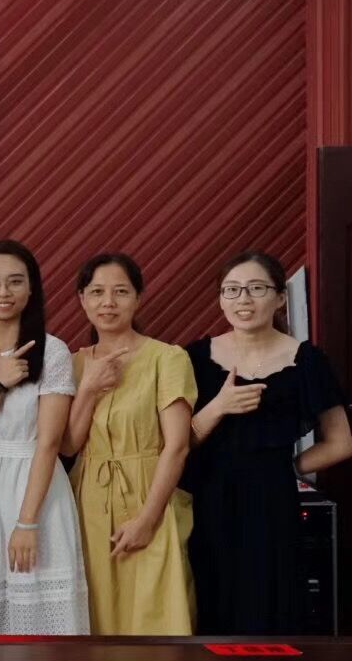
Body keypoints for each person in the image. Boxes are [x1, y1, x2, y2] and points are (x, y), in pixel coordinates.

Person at [183, 250, 352, 635]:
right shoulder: (195, 358)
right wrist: (219, 407)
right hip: (207, 496)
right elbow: (177, 443)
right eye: (232, 290)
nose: (243, 299)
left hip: (273, 499)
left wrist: (284, 468)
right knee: (211, 598)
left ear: (279, 298)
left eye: (256, 288)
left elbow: (342, 442)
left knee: (271, 600)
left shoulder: (307, 361)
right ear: (220, 299)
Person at [62, 253, 196, 635]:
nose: (108, 302)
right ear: (82, 299)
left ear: (138, 298)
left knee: (156, 616)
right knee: (97, 614)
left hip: (150, 494)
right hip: (88, 500)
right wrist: (88, 388)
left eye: (120, 292)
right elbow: (69, 445)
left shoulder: (167, 358)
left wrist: (147, 520)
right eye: (97, 292)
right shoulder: (73, 363)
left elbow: (177, 446)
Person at [0, 239, 88, 636]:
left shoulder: (52, 351)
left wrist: (27, 522)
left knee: (35, 603)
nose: (3, 292)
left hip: (34, 487)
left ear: (31, 287)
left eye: (15, 281)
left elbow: (50, 443)